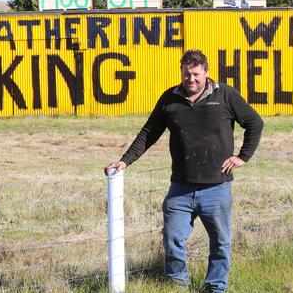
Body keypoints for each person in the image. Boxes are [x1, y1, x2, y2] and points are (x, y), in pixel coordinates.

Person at [105, 49, 263, 292]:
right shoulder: (170, 99)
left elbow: (254, 122)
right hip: (180, 188)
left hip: (216, 187)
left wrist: (242, 157)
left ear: (207, 73)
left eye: (196, 74)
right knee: (172, 239)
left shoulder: (225, 95)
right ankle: (178, 285)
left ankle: (215, 287)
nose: (191, 79)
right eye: (186, 74)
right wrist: (124, 161)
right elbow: (149, 132)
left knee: (220, 243)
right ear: (181, 73)